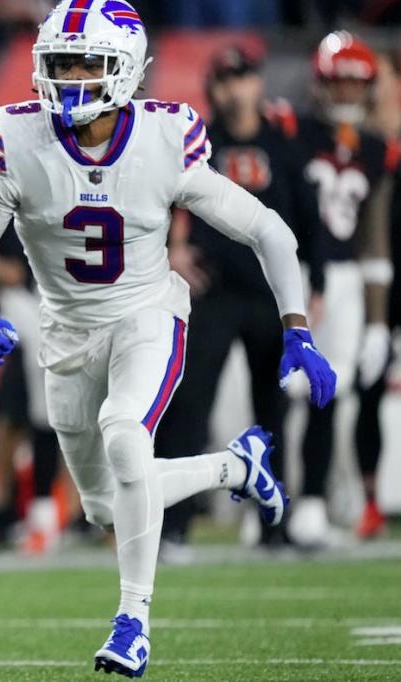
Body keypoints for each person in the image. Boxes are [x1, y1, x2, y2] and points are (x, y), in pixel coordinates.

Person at [0, 0, 336, 678]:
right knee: (104, 504)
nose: (67, 81)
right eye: (59, 65)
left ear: (123, 67)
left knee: (125, 431)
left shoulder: (163, 139)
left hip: (146, 316)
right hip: (65, 334)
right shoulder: (17, 139)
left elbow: (266, 229)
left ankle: (133, 622)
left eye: (84, 64)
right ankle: (234, 468)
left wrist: (297, 326)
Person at [158, 44, 321, 553]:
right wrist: (171, 250)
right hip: (214, 291)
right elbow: (154, 197)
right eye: (225, 79)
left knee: (272, 411)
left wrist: (304, 296)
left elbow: (306, 223)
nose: (235, 89)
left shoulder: (283, 143)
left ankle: (273, 525)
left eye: (242, 77)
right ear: (215, 86)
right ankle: (175, 526)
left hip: (268, 296)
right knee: (189, 404)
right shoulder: (198, 139)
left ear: (257, 81)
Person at [275, 32, 397, 548]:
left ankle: (312, 504)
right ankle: (271, 498)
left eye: (356, 82)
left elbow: (374, 237)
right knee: (279, 392)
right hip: (293, 268)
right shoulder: (290, 130)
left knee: (328, 392)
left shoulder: (377, 150)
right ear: (321, 82)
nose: (347, 92)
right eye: (338, 80)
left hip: (344, 276)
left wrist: (376, 322)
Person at [353, 52, 401, 540]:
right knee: (367, 389)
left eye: (380, 74)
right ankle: (369, 499)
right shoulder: (353, 143)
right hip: (372, 284)